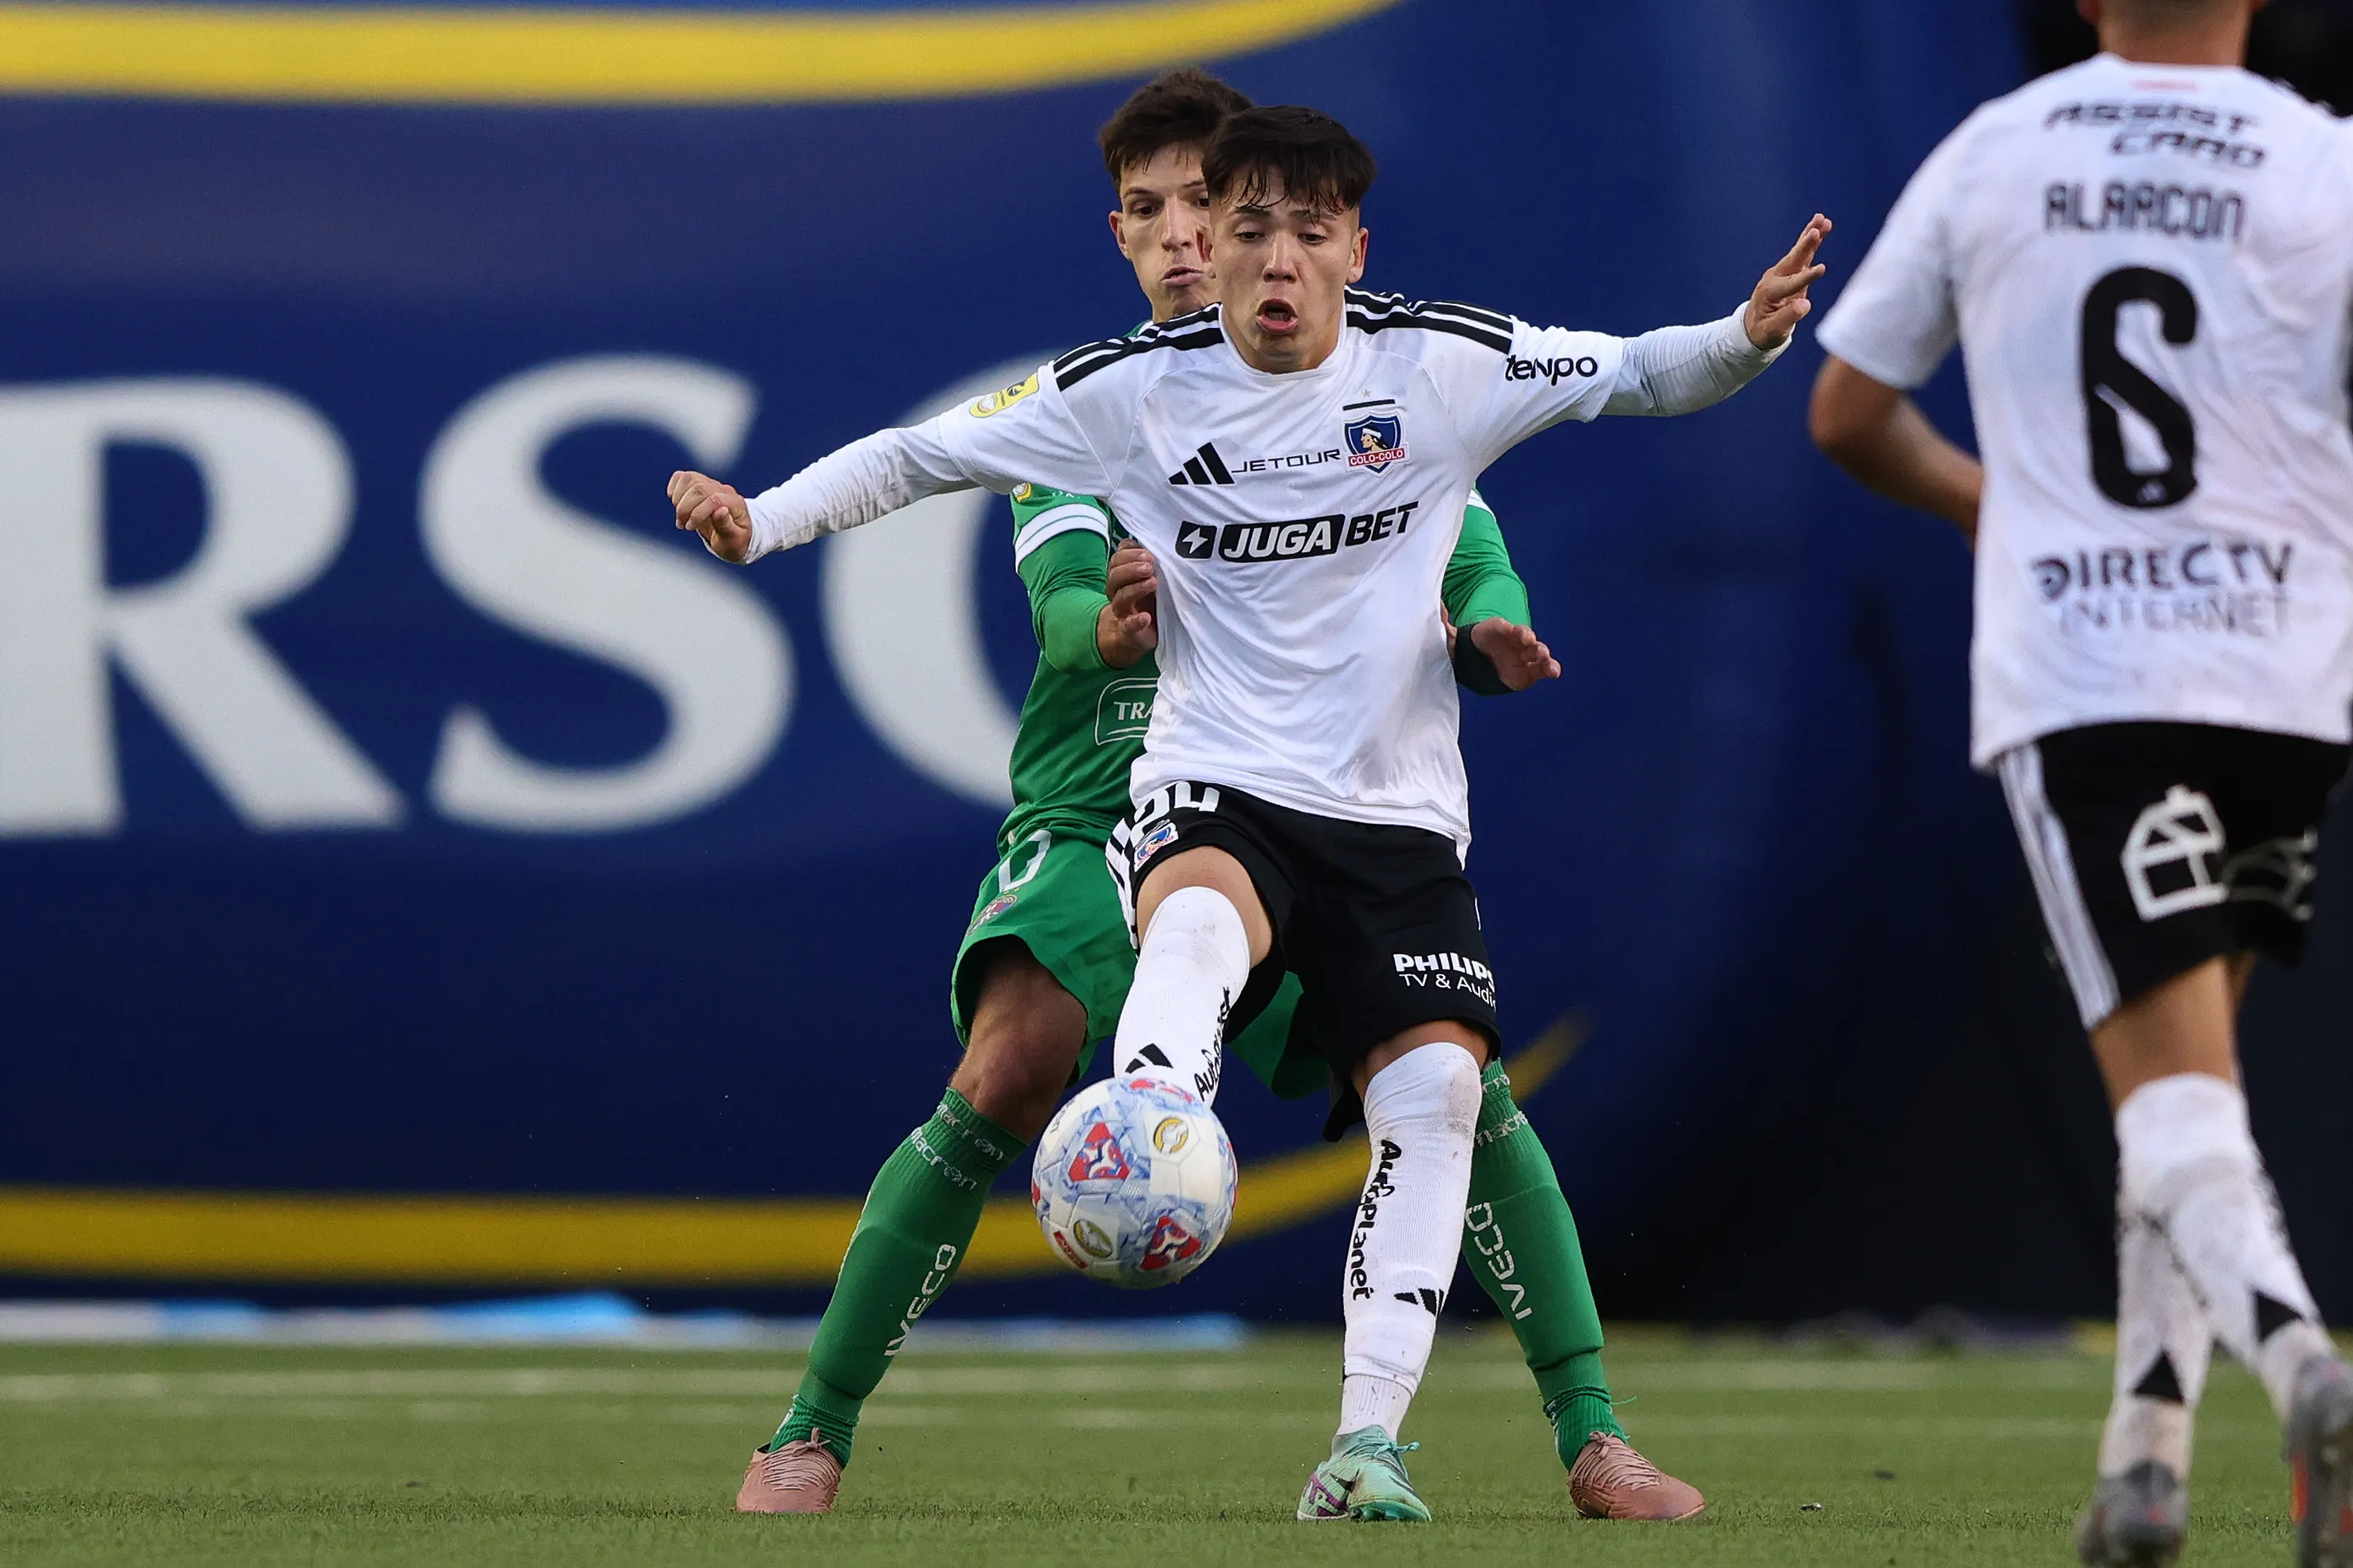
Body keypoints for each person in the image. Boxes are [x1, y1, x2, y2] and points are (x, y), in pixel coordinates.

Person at [676, 102, 1825, 1521]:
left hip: (1335, 804)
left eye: (1215, 211)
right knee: (1013, 1064)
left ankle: (1584, 1435)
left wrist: (1492, 629)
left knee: (1462, 1097)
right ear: (1141, 235)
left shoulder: (1400, 385)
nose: (1190, 237)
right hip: (1117, 796)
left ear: (1329, 239)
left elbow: (1462, 537)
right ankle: (811, 1430)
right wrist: (1098, 618)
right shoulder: (1096, 406)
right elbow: (1060, 613)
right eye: (1163, 212)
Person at [1808, 3, 2353, 1562]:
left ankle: (2305, 1357)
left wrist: (1989, 499)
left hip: (2100, 673)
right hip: (2283, 679)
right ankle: (2144, 1461)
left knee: (2172, 1103)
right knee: (2191, 1097)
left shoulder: (2004, 144)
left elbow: (1847, 407)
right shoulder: (2319, 159)